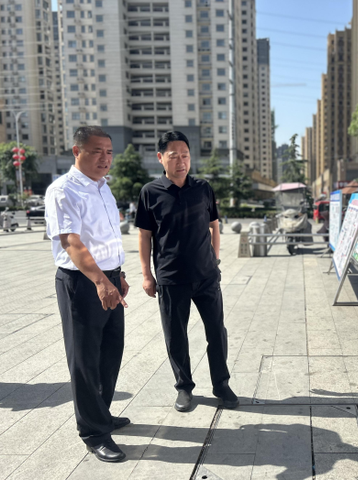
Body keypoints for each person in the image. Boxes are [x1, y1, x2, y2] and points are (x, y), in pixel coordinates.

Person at [44, 126, 130, 463]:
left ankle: (102, 414)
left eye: (109, 152)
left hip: (109, 278)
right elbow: (72, 242)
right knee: (85, 359)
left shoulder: (103, 188)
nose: (105, 158)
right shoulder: (63, 190)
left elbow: (106, 237)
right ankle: (94, 433)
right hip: (82, 283)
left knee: (110, 352)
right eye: (97, 151)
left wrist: (117, 275)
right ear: (77, 151)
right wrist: (100, 281)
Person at [135, 131, 238, 412]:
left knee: (216, 331)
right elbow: (145, 236)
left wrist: (215, 260)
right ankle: (184, 387)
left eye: (185, 155)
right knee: (176, 336)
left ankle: (221, 384)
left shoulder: (203, 188)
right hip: (171, 278)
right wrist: (146, 275)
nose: (181, 161)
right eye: (174, 156)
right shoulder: (150, 192)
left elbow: (214, 225)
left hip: (206, 276)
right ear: (160, 158)